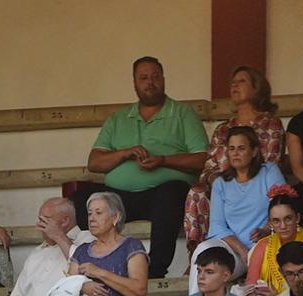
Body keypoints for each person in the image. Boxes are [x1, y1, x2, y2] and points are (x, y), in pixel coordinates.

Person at [73, 57, 208, 278]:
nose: (150, 82)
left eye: (155, 77)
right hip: (120, 199)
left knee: (172, 192)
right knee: (81, 198)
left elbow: (202, 159)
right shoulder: (119, 118)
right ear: (134, 82)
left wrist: (163, 160)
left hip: (161, 196)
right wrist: (125, 152)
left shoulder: (183, 113)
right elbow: (95, 162)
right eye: (143, 78)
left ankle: (154, 270)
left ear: (163, 80)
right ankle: (94, 263)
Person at [182, 65, 285, 256]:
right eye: (233, 83)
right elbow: (208, 169)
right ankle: (198, 255)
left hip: (257, 187)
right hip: (226, 187)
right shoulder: (223, 129)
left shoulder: (269, 123)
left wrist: (242, 181)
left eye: (242, 81)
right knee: (196, 193)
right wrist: (224, 184)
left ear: (257, 88)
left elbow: (271, 163)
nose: (235, 85)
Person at [187, 122, 285, 285]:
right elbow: (217, 227)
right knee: (202, 251)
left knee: (259, 254)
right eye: (231, 149)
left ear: (254, 151)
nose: (235, 153)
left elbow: (282, 205)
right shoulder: (221, 182)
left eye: (241, 148)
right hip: (234, 250)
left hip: (263, 245)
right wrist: (241, 249)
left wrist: (267, 229)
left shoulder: (269, 171)